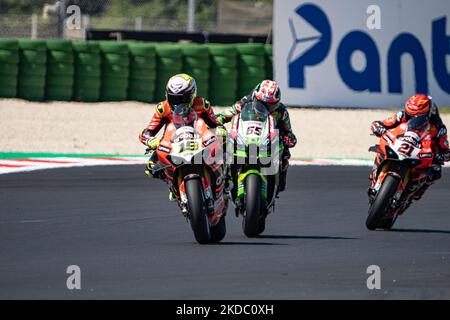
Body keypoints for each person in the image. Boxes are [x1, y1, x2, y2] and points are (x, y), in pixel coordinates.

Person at [217, 80, 297, 193]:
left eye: (270, 105)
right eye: (261, 103)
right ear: (255, 97)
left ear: (277, 103)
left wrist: (287, 139)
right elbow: (225, 114)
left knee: (285, 153)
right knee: (222, 141)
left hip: (269, 141)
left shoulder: (281, 112)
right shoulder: (244, 103)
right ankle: (225, 176)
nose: (265, 107)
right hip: (246, 136)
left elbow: (290, 134)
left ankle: (280, 180)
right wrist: (217, 123)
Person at [139, 73, 224, 180]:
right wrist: (150, 140)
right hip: (174, 143)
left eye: (183, 99)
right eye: (173, 99)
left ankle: (227, 178)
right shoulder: (163, 108)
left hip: (200, 141)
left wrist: (220, 131)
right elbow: (147, 132)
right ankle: (172, 185)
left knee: (224, 143)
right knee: (150, 168)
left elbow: (215, 124)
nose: (177, 104)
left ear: (193, 94)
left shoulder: (202, 105)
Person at [369, 94, 450, 200]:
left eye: (415, 116)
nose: (410, 118)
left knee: (436, 171)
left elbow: (445, 149)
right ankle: (375, 178)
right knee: (381, 149)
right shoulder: (402, 115)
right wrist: (378, 127)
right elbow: (383, 123)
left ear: (427, 114)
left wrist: (441, 155)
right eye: (409, 114)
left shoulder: (438, 128)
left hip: (423, 153)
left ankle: (414, 193)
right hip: (400, 144)